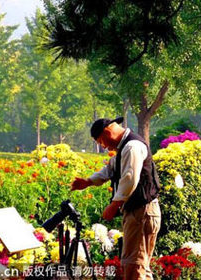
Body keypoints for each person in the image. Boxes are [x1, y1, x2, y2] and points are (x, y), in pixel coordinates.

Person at [71, 117, 161, 280]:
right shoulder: (125, 147)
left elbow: (129, 179)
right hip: (141, 212)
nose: (104, 147)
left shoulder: (132, 147)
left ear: (107, 132)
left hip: (142, 212)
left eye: (101, 142)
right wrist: (88, 182)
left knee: (134, 266)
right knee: (139, 266)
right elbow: (110, 169)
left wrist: (114, 205)